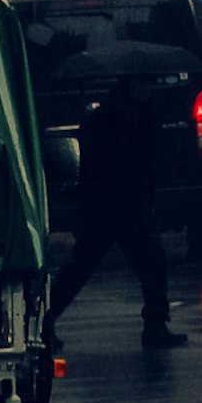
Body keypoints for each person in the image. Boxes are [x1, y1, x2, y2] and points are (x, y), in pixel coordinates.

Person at [68, 71, 178, 346]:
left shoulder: (143, 115)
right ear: (129, 84)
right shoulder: (108, 118)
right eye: (142, 82)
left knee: (153, 264)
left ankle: (156, 325)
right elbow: (100, 165)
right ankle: (44, 321)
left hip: (130, 204)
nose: (147, 88)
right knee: (81, 267)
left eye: (149, 82)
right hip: (109, 205)